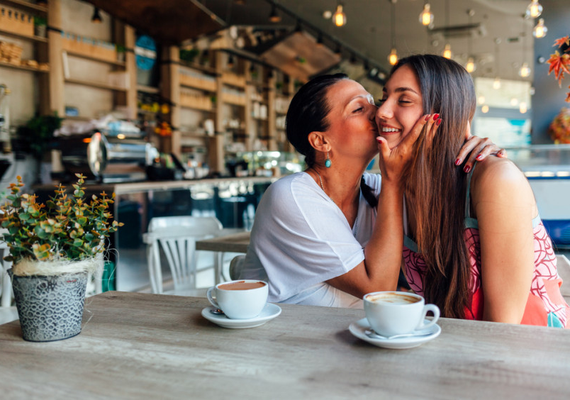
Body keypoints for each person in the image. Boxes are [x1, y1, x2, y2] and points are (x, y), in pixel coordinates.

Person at [239, 72, 504, 308]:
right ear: (321, 141)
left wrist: (469, 148)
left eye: (372, 102)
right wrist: (393, 179)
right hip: (281, 346)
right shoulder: (291, 196)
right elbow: (377, 288)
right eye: (357, 109)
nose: (377, 112)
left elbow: (440, 200)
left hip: (348, 344)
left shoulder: (375, 189)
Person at [377, 54, 569, 327]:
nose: (382, 111)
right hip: (456, 350)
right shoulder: (399, 187)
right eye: (383, 98)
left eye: (404, 100)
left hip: (528, 355)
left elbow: (503, 328)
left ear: (443, 114)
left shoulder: (496, 180)